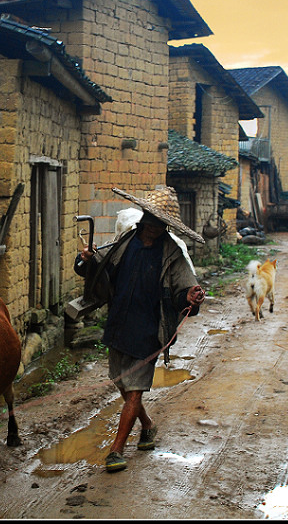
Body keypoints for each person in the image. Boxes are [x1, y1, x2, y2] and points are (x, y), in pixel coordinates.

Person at [74, 186, 206, 473]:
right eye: (150, 220)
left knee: (134, 391)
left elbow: (185, 289)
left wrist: (190, 297)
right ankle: (147, 425)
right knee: (122, 382)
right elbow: (102, 270)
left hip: (149, 329)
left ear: (164, 226)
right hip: (120, 323)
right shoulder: (125, 242)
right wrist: (86, 260)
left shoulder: (173, 254)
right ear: (144, 217)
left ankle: (116, 450)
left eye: (159, 224)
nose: (152, 228)